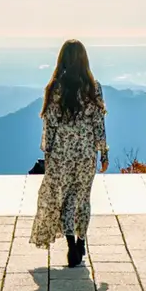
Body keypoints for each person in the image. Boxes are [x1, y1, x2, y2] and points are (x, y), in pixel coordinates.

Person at [30, 39, 109, 266]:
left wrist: (48, 153)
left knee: (65, 201)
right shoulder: (94, 88)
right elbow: (98, 123)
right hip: (85, 153)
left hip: (62, 155)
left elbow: (50, 123)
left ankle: (70, 244)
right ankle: (82, 239)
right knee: (83, 199)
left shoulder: (55, 87)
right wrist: (103, 153)